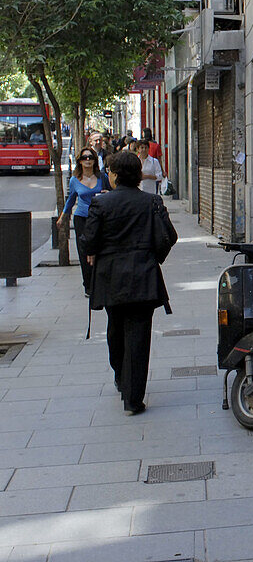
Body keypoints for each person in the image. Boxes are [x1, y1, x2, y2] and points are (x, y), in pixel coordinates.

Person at [81, 151, 177, 416]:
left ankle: (123, 380)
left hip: (111, 279)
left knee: (115, 331)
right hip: (143, 278)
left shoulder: (101, 204)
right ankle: (133, 398)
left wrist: (96, 252)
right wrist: (154, 257)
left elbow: (88, 241)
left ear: (114, 175)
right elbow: (169, 236)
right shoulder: (152, 202)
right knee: (139, 337)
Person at [56, 147, 107, 295]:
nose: (88, 160)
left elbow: (112, 193)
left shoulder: (102, 177)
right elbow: (71, 200)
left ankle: (99, 282)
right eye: (84, 158)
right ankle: (88, 285)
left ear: (95, 160)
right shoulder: (74, 180)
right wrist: (63, 217)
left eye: (90, 157)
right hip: (82, 218)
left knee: (99, 248)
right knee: (84, 251)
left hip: (99, 218)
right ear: (79, 161)